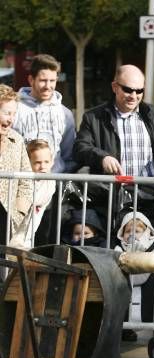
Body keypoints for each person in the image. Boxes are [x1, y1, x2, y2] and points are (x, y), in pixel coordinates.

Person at [73, 64, 154, 239]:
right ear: (115, 87)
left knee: (152, 254)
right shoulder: (94, 117)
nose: (134, 96)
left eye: (139, 91)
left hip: (152, 199)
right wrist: (102, 158)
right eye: (128, 90)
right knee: (114, 252)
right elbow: (80, 148)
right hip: (111, 200)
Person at [13, 54, 77, 174]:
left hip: (55, 186)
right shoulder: (14, 109)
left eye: (52, 81)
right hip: (20, 184)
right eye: (43, 81)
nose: (48, 86)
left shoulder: (65, 114)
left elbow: (69, 156)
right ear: (31, 80)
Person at [114, 211, 154, 330]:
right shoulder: (120, 248)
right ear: (122, 234)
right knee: (119, 290)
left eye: (136, 231)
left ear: (147, 233)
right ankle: (123, 326)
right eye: (127, 231)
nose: (131, 235)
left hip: (148, 276)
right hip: (127, 278)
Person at [0, 84, 34, 246]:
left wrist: (18, 212)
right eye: (6, 113)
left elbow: (26, 181)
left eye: (14, 114)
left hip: (7, 220)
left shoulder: (17, 140)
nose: (11, 119)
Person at [9, 140, 57, 249]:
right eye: (37, 162)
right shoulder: (22, 180)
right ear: (28, 162)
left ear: (52, 162)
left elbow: (37, 199)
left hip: (28, 236)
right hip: (12, 233)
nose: (42, 166)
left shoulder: (51, 183)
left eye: (46, 162)